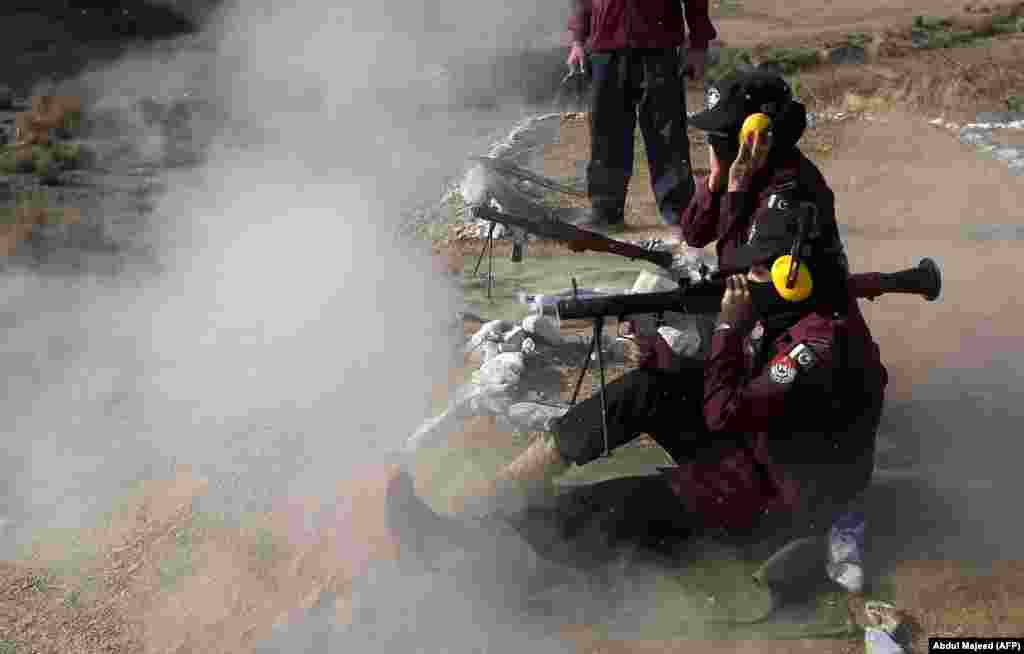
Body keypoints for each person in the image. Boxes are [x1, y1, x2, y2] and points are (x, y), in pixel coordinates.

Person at [386, 69, 887, 583]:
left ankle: (481, 559)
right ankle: (496, 499)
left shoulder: (817, 338)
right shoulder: (780, 279)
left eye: (721, 138)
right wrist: (660, 346)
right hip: (760, 443)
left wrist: (729, 332)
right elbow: (705, 239)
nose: (714, 145)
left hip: (775, 495)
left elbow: (723, 410)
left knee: (610, 508)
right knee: (650, 387)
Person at [565, 0, 718, 230]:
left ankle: (678, 213)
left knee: (667, 135)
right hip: (605, 48)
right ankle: (606, 210)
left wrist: (698, 45)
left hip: (658, 47)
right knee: (606, 134)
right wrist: (578, 41)